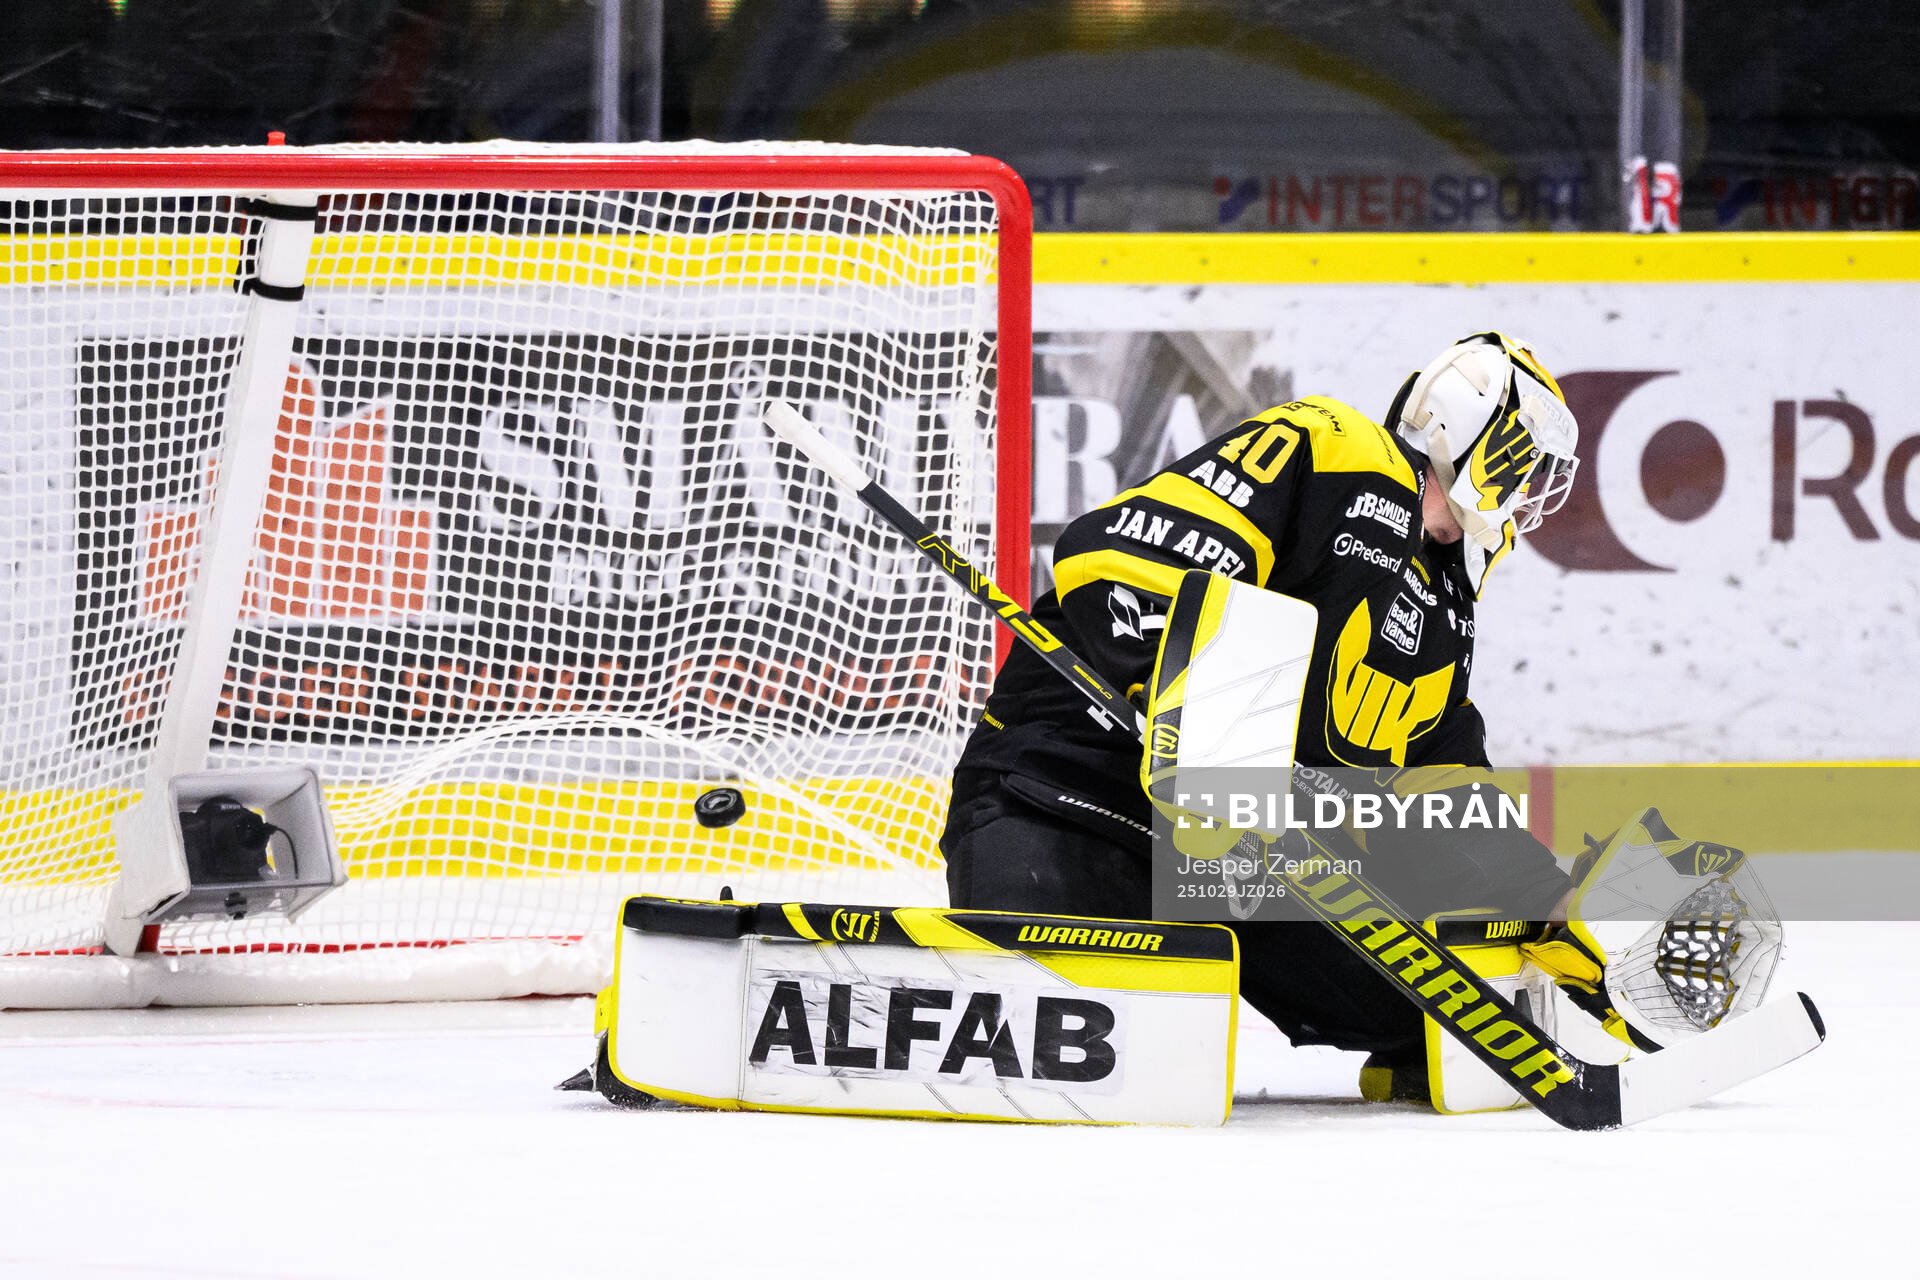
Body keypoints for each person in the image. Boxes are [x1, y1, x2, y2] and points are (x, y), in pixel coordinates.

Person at [940, 331, 1611, 1101]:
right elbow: (1116, 555)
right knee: (1077, 1030)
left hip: (1230, 862)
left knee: (1433, 1019)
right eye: (1520, 462)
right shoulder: (1334, 451)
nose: (1525, 494)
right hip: (1066, 795)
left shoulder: (1447, 608)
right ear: (1466, 432)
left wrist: (1535, 895)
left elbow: (1438, 777)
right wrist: (1194, 714)